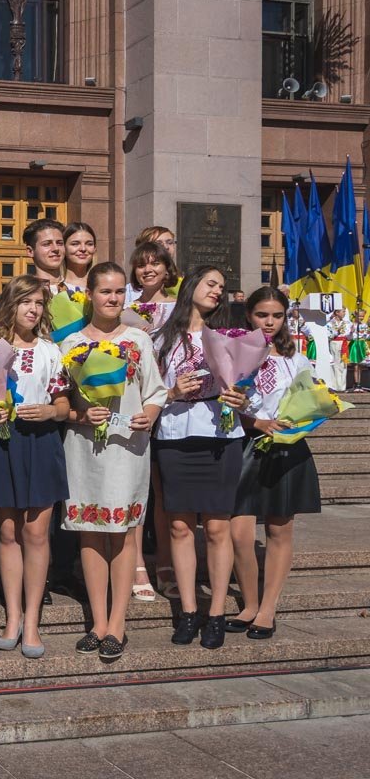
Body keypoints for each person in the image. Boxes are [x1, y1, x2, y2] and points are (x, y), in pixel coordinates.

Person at [62, 263, 167, 661]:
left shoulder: (138, 339)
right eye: (105, 291)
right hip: (84, 447)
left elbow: (155, 391)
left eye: (120, 291)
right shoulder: (71, 344)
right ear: (90, 294)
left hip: (127, 446)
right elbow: (61, 399)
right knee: (89, 531)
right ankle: (98, 622)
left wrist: (149, 415)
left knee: (122, 532)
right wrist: (80, 413)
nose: (113, 298)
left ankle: (118, 624)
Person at [153, 265, 247, 649]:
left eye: (222, 287)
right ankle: (189, 610)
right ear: (191, 285)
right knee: (179, 526)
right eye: (211, 283)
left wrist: (241, 396)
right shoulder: (161, 338)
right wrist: (172, 392)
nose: (217, 291)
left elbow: (249, 386)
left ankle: (217, 612)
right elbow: (147, 391)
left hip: (219, 435)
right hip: (175, 433)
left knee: (217, 528)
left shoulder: (230, 337)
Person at [0, 275, 70, 659]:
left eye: (38, 303)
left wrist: (50, 411)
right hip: (5, 443)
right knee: (8, 533)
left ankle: (32, 620)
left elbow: (64, 403)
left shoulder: (51, 350)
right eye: (26, 302)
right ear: (11, 305)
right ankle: (12, 616)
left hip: (41, 442)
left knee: (36, 533)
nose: (33, 309)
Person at [230, 286, 321, 640]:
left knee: (279, 530)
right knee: (239, 532)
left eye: (277, 315)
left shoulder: (296, 359)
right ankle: (249, 604)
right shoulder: (234, 352)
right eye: (262, 315)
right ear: (248, 315)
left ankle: (267, 609)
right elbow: (226, 405)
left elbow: (309, 399)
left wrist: (309, 413)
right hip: (245, 445)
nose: (269, 322)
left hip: (286, 448)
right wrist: (254, 420)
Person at [124, 240, 179, 601]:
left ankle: (166, 562)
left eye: (155, 264)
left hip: (173, 407)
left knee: (163, 492)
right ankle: (137, 563)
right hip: (135, 405)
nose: (148, 270)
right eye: (142, 264)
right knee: (137, 489)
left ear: (167, 269)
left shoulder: (180, 308)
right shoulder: (124, 306)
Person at [24, 219, 65, 295]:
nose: (56, 248)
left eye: (60, 243)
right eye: (47, 244)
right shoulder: (23, 292)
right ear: (30, 251)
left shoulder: (78, 288)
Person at [62, 222, 97, 293]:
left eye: (89, 244)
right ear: (63, 247)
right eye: (75, 244)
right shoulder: (53, 287)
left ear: (95, 249)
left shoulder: (101, 285)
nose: (83, 249)